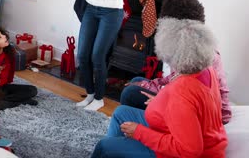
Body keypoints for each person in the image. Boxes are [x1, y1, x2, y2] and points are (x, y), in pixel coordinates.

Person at [92, 18, 228, 157]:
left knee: (103, 147)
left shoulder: (182, 93)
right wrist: (162, 102)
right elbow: (192, 109)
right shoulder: (204, 70)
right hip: (177, 129)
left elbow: (190, 151)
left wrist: (139, 132)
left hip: (180, 151)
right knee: (121, 113)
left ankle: (112, 151)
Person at [120, 0, 232, 124]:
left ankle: (137, 130)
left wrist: (161, 102)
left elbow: (185, 96)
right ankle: (136, 127)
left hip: (191, 115)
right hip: (181, 102)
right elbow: (172, 81)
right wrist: (143, 85)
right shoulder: (188, 47)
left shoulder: (197, 59)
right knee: (137, 81)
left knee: (130, 93)